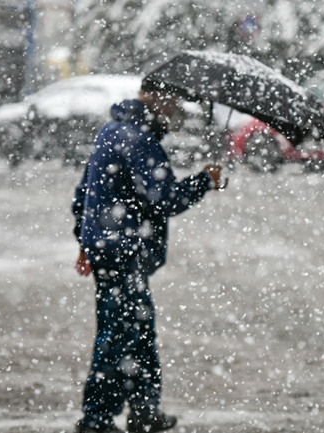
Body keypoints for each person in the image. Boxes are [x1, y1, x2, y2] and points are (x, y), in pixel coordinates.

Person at [71, 84, 225, 433]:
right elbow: (165, 199)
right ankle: (97, 420)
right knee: (120, 336)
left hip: (112, 249)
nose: (178, 111)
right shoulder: (139, 140)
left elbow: (86, 191)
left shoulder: (113, 130)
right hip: (123, 252)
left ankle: (144, 410)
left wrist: (85, 240)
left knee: (137, 331)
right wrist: (205, 181)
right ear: (155, 98)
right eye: (174, 103)